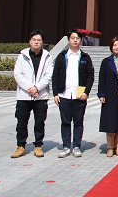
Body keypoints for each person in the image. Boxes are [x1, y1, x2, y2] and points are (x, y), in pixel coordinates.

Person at [11, 29, 54, 158]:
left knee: (40, 122)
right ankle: (21, 146)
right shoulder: (22, 56)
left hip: (41, 96)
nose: (36, 42)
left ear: (42, 42)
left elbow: (48, 75)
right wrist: (30, 88)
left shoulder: (47, 57)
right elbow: (18, 74)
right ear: (30, 41)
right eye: (34, 40)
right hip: (24, 96)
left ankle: (38, 146)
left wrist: (37, 88)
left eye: (39, 40)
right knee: (21, 122)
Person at [52, 29, 95, 158]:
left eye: (77, 38)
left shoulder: (85, 57)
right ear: (68, 40)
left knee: (78, 122)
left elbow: (90, 76)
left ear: (80, 40)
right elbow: (55, 75)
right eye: (73, 38)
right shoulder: (62, 56)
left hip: (79, 95)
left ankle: (76, 146)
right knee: (65, 122)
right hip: (64, 95)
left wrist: (86, 92)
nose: (75, 40)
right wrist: (55, 93)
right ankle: (66, 146)